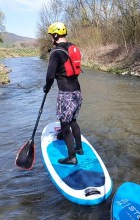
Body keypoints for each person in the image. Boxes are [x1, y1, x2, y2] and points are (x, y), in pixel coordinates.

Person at [43, 22, 83, 165]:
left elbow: (49, 75)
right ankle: (79, 148)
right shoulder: (73, 47)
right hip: (77, 92)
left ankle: (71, 157)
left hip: (66, 94)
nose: (50, 39)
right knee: (73, 121)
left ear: (55, 35)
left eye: (51, 36)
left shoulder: (56, 52)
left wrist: (47, 87)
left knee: (65, 125)